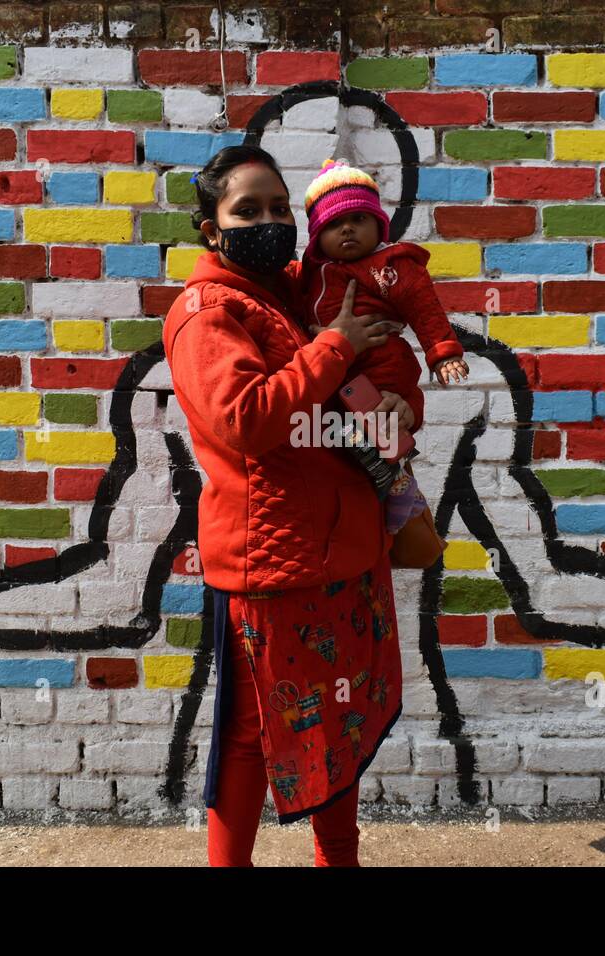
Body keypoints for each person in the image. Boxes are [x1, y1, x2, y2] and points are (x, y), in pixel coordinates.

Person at [161, 144, 425, 867]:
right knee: (252, 736)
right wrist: (332, 348)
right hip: (273, 563)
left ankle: (340, 861)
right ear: (211, 229)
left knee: (337, 724)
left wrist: (399, 405)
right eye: (247, 211)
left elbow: (361, 385)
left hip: (343, 548)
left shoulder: (294, 292)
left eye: (280, 207)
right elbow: (245, 419)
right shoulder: (204, 312)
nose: (270, 221)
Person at [301, 158, 470, 533]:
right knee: (348, 436)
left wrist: (443, 352)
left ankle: (399, 493)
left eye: (358, 220)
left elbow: (424, 307)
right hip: (338, 366)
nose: (347, 229)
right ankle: (389, 491)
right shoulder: (309, 272)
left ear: (379, 224)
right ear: (316, 237)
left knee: (379, 427)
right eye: (332, 224)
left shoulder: (390, 265)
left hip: (381, 359)